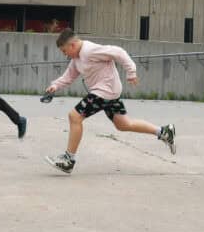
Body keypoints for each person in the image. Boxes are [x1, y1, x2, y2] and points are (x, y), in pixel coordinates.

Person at [44, 29, 175, 174]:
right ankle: (164, 132)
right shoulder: (76, 59)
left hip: (104, 91)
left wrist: (131, 72)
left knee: (74, 116)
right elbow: (69, 76)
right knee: (123, 124)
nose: (65, 54)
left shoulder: (89, 50)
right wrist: (55, 86)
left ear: (73, 45)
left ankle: (69, 160)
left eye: (65, 51)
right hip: (109, 92)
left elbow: (118, 52)